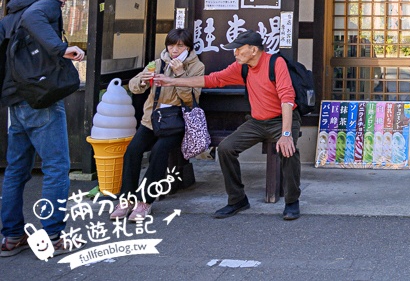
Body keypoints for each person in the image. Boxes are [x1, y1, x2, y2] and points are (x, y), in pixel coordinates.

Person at [152, 30, 301, 220]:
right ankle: (237, 199)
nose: (235, 53)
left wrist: (286, 133)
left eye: (239, 49)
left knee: (288, 150)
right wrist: (172, 81)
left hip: (282, 119)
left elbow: (287, 99)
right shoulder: (242, 67)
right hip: (256, 122)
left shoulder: (275, 63)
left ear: (253, 50)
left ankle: (291, 201)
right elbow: (212, 80)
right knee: (225, 148)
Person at [0, 0, 85, 257]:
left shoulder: (12, 12)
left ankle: (11, 237)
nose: (65, 0)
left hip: (16, 99)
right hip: (40, 99)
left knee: (16, 170)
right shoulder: (43, 4)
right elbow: (36, 20)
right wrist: (62, 49)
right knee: (57, 167)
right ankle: (54, 236)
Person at [111, 28, 204, 221]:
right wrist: (143, 81)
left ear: (188, 47)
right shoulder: (159, 62)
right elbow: (135, 88)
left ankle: (145, 201)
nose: (174, 50)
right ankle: (126, 199)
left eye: (180, 46)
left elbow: (190, 100)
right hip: (151, 118)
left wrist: (179, 76)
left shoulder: (196, 67)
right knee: (133, 151)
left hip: (175, 121)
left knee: (159, 152)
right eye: (171, 45)